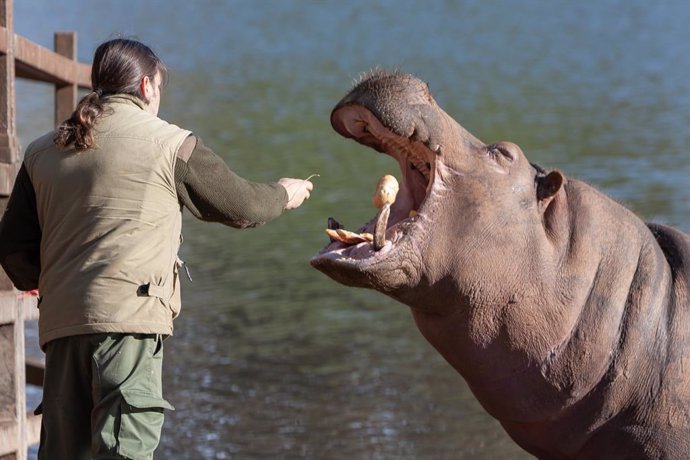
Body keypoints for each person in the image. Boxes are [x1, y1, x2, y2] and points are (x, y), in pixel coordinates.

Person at [0, 38, 313, 459]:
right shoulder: (171, 144)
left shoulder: (42, 151)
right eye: (160, 88)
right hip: (128, 329)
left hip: (62, 330)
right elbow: (243, 207)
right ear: (147, 86)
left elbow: (13, 248)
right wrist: (283, 194)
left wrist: (58, 284)